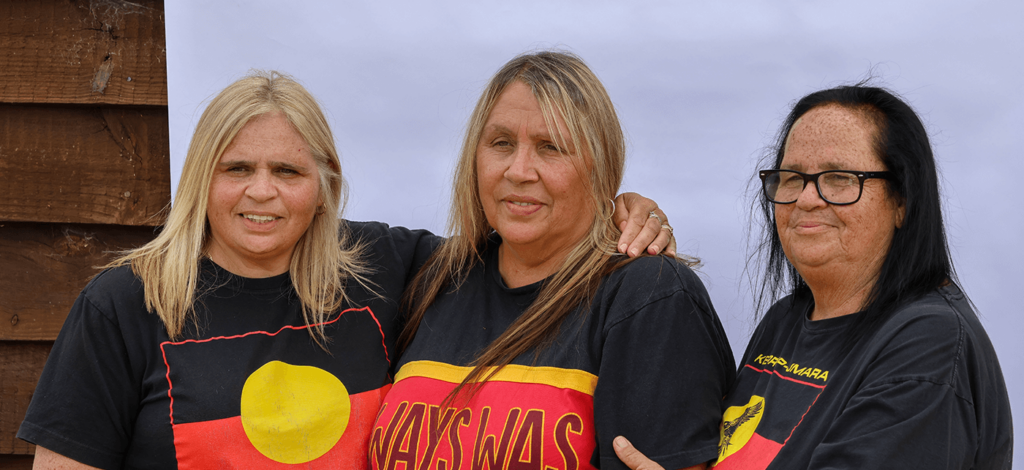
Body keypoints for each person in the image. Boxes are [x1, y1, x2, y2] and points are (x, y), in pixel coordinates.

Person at [17, 72, 671, 469]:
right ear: (200, 177)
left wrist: (617, 212)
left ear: (326, 184)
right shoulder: (124, 304)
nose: (262, 192)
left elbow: (527, 236)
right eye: (237, 168)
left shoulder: (380, 269)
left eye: (289, 171)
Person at [368, 51, 735, 470]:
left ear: (600, 167)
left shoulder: (647, 296)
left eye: (551, 147)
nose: (519, 170)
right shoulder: (431, 274)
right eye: (501, 143)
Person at [614, 86, 1013, 470]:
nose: (806, 198)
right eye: (791, 177)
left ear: (903, 202)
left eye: (840, 177)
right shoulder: (788, 318)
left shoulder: (929, 345)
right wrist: (613, 216)